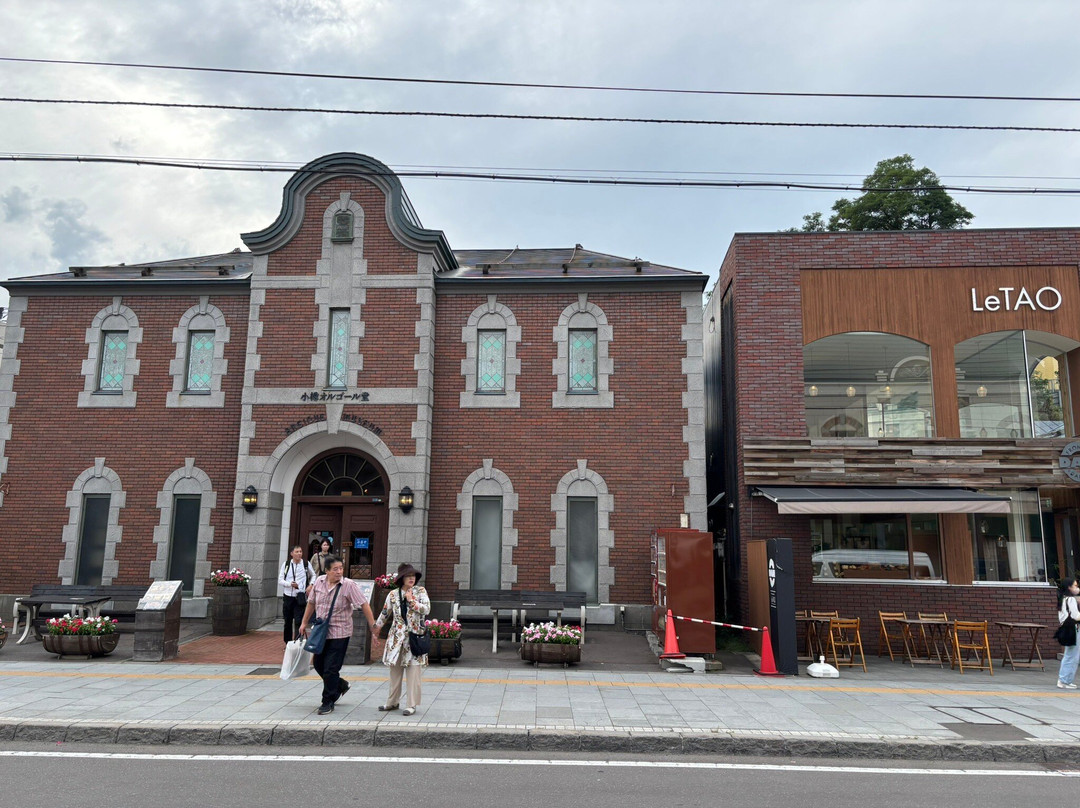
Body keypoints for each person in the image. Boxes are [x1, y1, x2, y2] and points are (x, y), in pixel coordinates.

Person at [299, 556, 375, 715]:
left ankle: (327, 701)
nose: (339, 571)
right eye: (335, 569)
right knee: (319, 665)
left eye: (341, 568)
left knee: (331, 668)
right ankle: (340, 685)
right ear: (326, 571)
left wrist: (372, 625)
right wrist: (304, 623)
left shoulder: (348, 585)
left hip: (340, 632)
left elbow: (363, 604)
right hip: (321, 632)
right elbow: (311, 602)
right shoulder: (319, 582)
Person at [372, 563, 430, 717]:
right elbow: (384, 613)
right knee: (395, 672)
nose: (411, 578)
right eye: (407, 576)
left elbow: (427, 609)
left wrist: (412, 602)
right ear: (401, 579)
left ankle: (411, 705)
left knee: (413, 672)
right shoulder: (393, 594)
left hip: (414, 638)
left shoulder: (420, 591)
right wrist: (376, 629)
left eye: (413, 576)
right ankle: (392, 702)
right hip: (396, 639)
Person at [279, 544, 314, 644]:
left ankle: (298, 641)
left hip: (300, 596)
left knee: (299, 621)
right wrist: (290, 584)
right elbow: (280, 580)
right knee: (288, 621)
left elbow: (313, 575)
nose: (299, 554)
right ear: (291, 554)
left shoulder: (306, 564)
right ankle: (288, 643)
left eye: (300, 551)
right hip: (288, 596)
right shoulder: (286, 564)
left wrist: (311, 585)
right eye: (297, 552)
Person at [1057, 577, 1080, 689]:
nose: (1077, 588)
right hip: (1073, 628)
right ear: (1069, 587)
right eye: (1075, 586)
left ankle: (1064, 679)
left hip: (1066, 629)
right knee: (1072, 655)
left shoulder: (1062, 598)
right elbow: (1076, 616)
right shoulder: (1070, 600)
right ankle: (1064, 680)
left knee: (1070, 654)